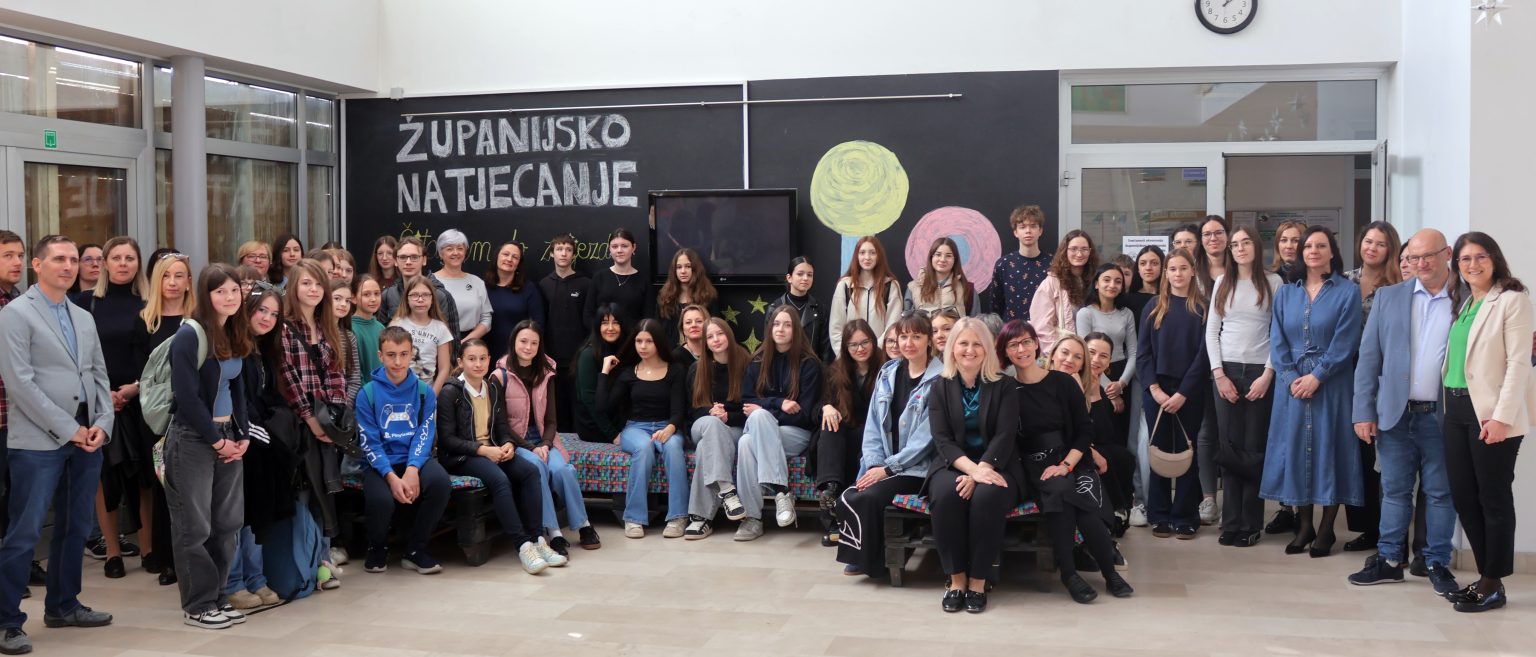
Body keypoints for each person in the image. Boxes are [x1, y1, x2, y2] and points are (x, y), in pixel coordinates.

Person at [0, 235, 114, 654]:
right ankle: (6, 621)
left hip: (87, 436)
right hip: (38, 441)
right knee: (25, 532)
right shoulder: (15, 314)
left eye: (73, 259)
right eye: (59, 259)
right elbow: (20, 384)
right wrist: (69, 429)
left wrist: (102, 423)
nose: (68, 266)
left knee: (75, 526)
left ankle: (64, 606)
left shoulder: (82, 315)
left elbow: (98, 374)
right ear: (38, 265)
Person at [1346, 229, 1460, 595]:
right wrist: (1363, 411)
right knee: (1394, 491)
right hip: (1394, 414)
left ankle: (1436, 562)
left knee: (1441, 493)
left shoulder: (1466, 298)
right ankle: (1389, 561)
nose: (1421, 263)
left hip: (1443, 416)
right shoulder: (1389, 296)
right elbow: (1369, 358)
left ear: (1447, 254)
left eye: (1429, 256)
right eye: (1413, 257)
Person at [1440, 232, 1534, 612]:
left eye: (1480, 256)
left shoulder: (1512, 299)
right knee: (1464, 497)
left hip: (1490, 414)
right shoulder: (1466, 302)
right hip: (1456, 410)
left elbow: (1518, 364)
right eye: (1465, 259)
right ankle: (1486, 577)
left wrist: (1501, 417)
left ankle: (1493, 584)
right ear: (1457, 266)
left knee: (1492, 498)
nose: (1473, 264)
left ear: (1494, 259)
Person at [1261, 226, 1363, 558]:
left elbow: (1346, 342)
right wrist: (1292, 377)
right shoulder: (1286, 293)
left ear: (1332, 252)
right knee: (1296, 450)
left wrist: (1317, 376)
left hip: (1332, 384)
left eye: (1321, 246)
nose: (1313, 251)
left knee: (1330, 448)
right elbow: (1277, 340)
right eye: (1308, 246)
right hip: (1291, 387)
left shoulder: (1348, 291)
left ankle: (1326, 528)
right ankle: (1304, 526)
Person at [1011, 321, 1131, 603]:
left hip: (1071, 458)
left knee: (1085, 504)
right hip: (1036, 464)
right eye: (1065, 353)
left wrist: (1067, 464)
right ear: (1051, 353)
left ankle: (1108, 573)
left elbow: (1084, 431)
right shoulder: (1009, 387)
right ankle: (1070, 573)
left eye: (1078, 356)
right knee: (1065, 495)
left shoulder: (1066, 383)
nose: (1070, 360)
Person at [163, 264, 253, 630]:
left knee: (227, 524)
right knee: (194, 526)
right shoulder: (189, 335)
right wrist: (216, 441)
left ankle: (217, 596)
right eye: (220, 292)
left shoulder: (234, 330)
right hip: (193, 439)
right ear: (206, 295)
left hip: (228, 435)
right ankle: (198, 604)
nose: (229, 297)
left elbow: (238, 389)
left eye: (234, 290)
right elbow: (186, 397)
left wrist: (242, 435)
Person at [438, 338, 565, 574]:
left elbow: (502, 428)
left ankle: (538, 539)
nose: (478, 364)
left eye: (482, 358)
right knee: (500, 480)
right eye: (471, 359)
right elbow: (447, 440)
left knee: (530, 472)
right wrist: (482, 450)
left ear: (489, 360)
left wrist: (508, 443)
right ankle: (523, 545)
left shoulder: (492, 387)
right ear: (460, 361)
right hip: (463, 456)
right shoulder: (450, 392)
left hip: (493, 450)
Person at [836, 311, 942, 578]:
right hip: (883, 465)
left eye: (916, 336)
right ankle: (864, 554)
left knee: (868, 497)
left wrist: (887, 469)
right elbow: (873, 426)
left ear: (929, 340)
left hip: (916, 469)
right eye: (903, 337)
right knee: (849, 496)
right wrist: (874, 464)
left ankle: (873, 563)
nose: (909, 343)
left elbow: (926, 440)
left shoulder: (940, 379)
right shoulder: (888, 372)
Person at [928, 318, 1018, 613]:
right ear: (952, 348)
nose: (970, 350)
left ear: (988, 348)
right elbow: (941, 439)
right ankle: (956, 581)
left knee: (986, 496)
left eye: (977, 343)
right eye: (963, 343)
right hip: (953, 464)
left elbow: (1005, 435)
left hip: (998, 464)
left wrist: (982, 472)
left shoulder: (1004, 385)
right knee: (946, 495)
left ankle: (978, 582)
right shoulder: (939, 386)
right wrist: (972, 471)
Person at [1206, 227, 1281, 548]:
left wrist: (1268, 374)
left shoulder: (1273, 282)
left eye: (1245, 242)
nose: (1239, 248)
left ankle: (1250, 523)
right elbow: (1212, 331)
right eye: (1235, 244)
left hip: (1260, 371)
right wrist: (1218, 374)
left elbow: (1279, 332)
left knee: (1253, 448)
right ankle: (1231, 521)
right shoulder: (1223, 282)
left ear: (1256, 246)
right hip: (1226, 370)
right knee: (1229, 446)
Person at [495, 321, 598, 552]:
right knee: (538, 468)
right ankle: (554, 532)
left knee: (563, 470)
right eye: (523, 341)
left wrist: (545, 443)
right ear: (513, 342)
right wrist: (532, 448)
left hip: (544, 438)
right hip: (516, 442)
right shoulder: (499, 376)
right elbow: (501, 425)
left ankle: (584, 525)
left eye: (534, 343)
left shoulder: (546, 371)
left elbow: (551, 420)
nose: (528, 347)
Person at [81, 237, 150, 580]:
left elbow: (158, 356)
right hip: (100, 401)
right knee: (105, 479)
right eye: (117, 258)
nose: (123, 264)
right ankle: (111, 552)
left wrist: (135, 388)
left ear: (138, 263)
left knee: (145, 478)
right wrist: (103, 393)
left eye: (130, 258)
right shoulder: (85, 303)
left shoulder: (149, 303)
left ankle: (149, 548)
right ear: (105, 263)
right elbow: (78, 356)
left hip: (142, 399)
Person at [356, 327, 450, 575]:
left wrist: (412, 469)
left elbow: (424, 434)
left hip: (413, 459)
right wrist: (390, 476)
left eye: (403, 354)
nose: (397, 362)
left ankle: (416, 549)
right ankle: (377, 547)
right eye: (391, 355)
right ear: (380, 356)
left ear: (412, 355)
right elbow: (370, 442)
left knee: (440, 482)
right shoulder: (367, 394)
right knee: (381, 500)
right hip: (380, 463)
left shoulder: (424, 392)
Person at [1136, 248, 1209, 539]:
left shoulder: (1203, 308)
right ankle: (1159, 514)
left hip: (1189, 391)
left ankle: (1185, 515)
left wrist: (1183, 393)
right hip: (1157, 390)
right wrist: (1154, 388)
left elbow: (1204, 356)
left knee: (1187, 452)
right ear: (1166, 273)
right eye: (1173, 269)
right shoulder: (1154, 306)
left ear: (1193, 271)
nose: (1178, 274)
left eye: (1183, 268)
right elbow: (1143, 353)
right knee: (1159, 450)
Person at [276, 259, 349, 544]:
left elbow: (337, 373)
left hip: (326, 421)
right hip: (298, 424)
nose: (314, 289)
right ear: (294, 286)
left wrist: (332, 419)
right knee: (304, 491)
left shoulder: (327, 326)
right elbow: (288, 378)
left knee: (327, 491)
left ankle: (324, 552)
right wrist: (310, 419)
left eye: (319, 284)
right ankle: (306, 556)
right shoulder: (283, 327)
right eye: (306, 283)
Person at [734, 306, 822, 540]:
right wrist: (778, 403)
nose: (780, 329)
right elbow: (747, 404)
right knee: (745, 441)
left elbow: (804, 415)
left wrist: (764, 409)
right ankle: (776, 498)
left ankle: (761, 509)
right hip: (764, 431)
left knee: (756, 423)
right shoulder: (757, 361)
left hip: (796, 433)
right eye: (776, 324)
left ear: (796, 330)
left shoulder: (809, 364)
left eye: (787, 324)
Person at [1342, 221, 1404, 552]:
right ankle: (1365, 527)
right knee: (1355, 453)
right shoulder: (1344, 281)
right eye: (1368, 241)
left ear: (1390, 248)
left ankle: (1387, 531)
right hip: (1345, 371)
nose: (1372, 248)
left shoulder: (1396, 284)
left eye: (1380, 243)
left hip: (1381, 374)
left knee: (1379, 453)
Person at [598, 318, 689, 539]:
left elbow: (679, 409)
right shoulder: (629, 373)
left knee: (673, 448)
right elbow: (603, 407)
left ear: (659, 342)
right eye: (639, 341)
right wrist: (604, 372)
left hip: (667, 426)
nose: (643, 346)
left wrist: (670, 428)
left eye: (649, 341)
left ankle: (678, 517)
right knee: (644, 447)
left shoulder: (675, 370)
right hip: (635, 428)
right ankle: (634, 518)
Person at [137, 251, 197, 586]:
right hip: (156, 416)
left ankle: (194, 557)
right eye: (166, 276)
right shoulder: (145, 321)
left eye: (179, 276)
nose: (172, 283)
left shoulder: (197, 320)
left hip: (193, 413)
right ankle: (169, 559)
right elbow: (140, 372)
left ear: (189, 281)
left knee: (193, 489)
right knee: (164, 488)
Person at [223, 285, 283, 611]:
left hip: (259, 444)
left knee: (254, 513)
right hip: (236, 441)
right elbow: (237, 400)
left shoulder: (264, 350)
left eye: (274, 314)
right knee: (236, 515)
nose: (267, 318)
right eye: (262, 310)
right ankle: (233, 582)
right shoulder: (234, 346)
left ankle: (255, 577)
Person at [812, 319, 886, 545]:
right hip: (845, 434)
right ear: (845, 347)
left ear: (873, 341)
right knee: (830, 427)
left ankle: (845, 517)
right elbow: (816, 407)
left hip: (874, 436)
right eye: (853, 345)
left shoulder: (887, 367)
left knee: (855, 437)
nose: (860, 348)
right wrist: (826, 407)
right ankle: (830, 491)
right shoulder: (836, 371)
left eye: (864, 342)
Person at [681, 317, 751, 540]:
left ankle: (700, 518)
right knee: (711, 425)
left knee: (705, 448)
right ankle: (727, 490)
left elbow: (752, 408)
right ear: (705, 343)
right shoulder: (697, 368)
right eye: (710, 337)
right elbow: (691, 411)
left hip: (734, 427)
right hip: (702, 424)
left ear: (728, 334)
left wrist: (728, 415)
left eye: (719, 333)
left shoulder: (746, 364)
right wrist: (712, 412)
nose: (716, 339)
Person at [1075, 263, 1137, 447]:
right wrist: (1111, 391)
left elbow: (1133, 352)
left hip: (1122, 374)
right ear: (1096, 284)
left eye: (1118, 281)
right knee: (1101, 431)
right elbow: (1085, 355)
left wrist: (1121, 384)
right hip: (1095, 375)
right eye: (1107, 280)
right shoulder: (1085, 313)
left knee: (1121, 431)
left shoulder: (1126, 314)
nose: (1112, 285)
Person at [1082, 333, 1136, 534]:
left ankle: (1120, 510)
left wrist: (1096, 393)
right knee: (1105, 457)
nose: (1096, 360)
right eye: (1091, 352)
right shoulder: (1070, 380)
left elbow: (1104, 434)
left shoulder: (1101, 386)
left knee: (1122, 456)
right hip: (1073, 444)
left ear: (1109, 361)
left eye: (1103, 356)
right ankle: (1112, 514)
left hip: (1094, 442)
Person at [538, 234, 590, 430]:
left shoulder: (585, 283)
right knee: (556, 406)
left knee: (579, 403)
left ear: (573, 255)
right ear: (552, 253)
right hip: (551, 358)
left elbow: (589, 320)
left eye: (568, 250)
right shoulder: (544, 284)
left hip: (578, 356)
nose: (564, 253)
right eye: (559, 249)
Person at [829, 236, 903, 355]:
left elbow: (893, 325)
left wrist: (875, 351)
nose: (867, 257)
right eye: (862, 253)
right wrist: (846, 355)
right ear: (856, 256)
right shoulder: (845, 286)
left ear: (879, 256)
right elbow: (836, 328)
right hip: (851, 357)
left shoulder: (890, 286)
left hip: (880, 356)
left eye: (872, 253)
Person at [1030, 229, 1099, 357]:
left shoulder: (1097, 281)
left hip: (1093, 356)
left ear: (1090, 252)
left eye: (1084, 249)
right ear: (1065, 251)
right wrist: (1057, 354)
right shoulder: (1052, 283)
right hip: (1064, 356)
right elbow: (1042, 328)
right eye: (1073, 249)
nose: (1079, 254)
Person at [377, 237, 459, 337]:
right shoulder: (387, 295)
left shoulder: (441, 296)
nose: (408, 262)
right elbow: (381, 337)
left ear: (424, 260)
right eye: (402, 257)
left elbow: (452, 338)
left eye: (414, 257)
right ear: (395, 261)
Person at [572, 304, 629, 445]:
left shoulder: (623, 351)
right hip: (593, 426)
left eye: (615, 323)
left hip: (617, 423)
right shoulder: (588, 355)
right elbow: (589, 400)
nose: (610, 328)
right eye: (605, 323)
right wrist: (613, 434)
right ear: (598, 326)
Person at [391, 275, 455, 393]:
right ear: (406, 299)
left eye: (425, 295)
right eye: (414, 295)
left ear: (432, 299)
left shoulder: (440, 328)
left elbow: (444, 368)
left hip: (427, 391)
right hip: (399, 390)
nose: (420, 299)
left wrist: (432, 396)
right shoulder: (397, 324)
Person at [989, 204, 1052, 323]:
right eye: (1022, 227)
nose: (1028, 231)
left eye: (1033, 226)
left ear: (1040, 231)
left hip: (1045, 330)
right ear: (1015, 232)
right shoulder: (1003, 265)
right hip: (1011, 331)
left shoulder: (1053, 264)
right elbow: (995, 307)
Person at [486, 240, 546, 365]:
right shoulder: (482, 286)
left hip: (517, 354)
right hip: (485, 353)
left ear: (519, 263)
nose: (509, 259)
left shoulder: (528, 289)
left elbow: (538, 323)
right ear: (497, 257)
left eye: (515, 257)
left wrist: (525, 348)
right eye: (506, 254)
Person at [583, 228, 654, 330]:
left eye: (624, 246)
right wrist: (602, 333)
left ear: (633, 248)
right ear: (609, 249)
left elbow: (648, 318)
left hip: (633, 338)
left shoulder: (644, 281)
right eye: (614, 246)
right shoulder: (599, 278)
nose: (619, 250)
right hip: (603, 337)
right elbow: (588, 315)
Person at [434, 229, 492, 346]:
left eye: (460, 248)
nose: (455, 252)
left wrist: (464, 343)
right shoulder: (429, 282)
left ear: (465, 252)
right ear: (440, 253)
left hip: (470, 344)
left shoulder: (477, 282)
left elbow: (486, 319)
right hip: (437, 343)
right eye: (449, 249)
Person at [769, 257, 831, 363]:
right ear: (789, 278)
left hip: (811, 368)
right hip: (782, 367)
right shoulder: (775, 308)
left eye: (809, 275)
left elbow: (826, 350)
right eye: (800, 274)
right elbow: (768, 344)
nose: (805, 278)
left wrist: (822, 370)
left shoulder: (820, 309)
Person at [657, 248, 718, 342]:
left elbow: (714, 329)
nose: (683, 271)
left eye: (688, 266)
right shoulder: (665, 297)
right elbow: (658, 330)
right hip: (670, 349)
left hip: (701, 348)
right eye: (679, 267)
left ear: (696, 269)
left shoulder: (708, 296)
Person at [906, 237, 978, 316]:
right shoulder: (913, 288)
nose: (943, 259)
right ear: (931, 257)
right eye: (938, 255)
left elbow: (975, 321)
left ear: (955, 259)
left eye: (948, 256)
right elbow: (907, 321)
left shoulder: (968, 289)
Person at [330, 280, 363, 403]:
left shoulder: (349, 336)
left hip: (341, 405)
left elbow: (354, 379)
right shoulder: (314, 332)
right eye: (337, 299)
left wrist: (345, 405)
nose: (344, 304)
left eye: (347, 300)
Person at [351, 274, 386, 380]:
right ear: (353, 298)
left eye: (377, 294)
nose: (373, 299)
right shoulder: (350, 329)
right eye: (366, 294)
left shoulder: (381, 328)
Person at [1125, 245, 1164, 330]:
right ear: (1138, 269)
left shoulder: (1169, 298)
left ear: (1162, 266)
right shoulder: (1127, 300)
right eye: (1143, 263)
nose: (1148, 268)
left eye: (1154, 263)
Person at [1194, 215, 1230, 295]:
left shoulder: (1239, 268)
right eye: (1207, 234)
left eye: (1219, 233)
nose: (1213, 238)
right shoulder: (1192, 270)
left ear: (1227, 236)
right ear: (1201, 240)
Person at [1270, 219, 1306, 285]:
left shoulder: (1316, 277)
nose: (1289, 246)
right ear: (1277, 245)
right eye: (1283, 240)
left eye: (1296, 241)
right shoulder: (1269, 279)